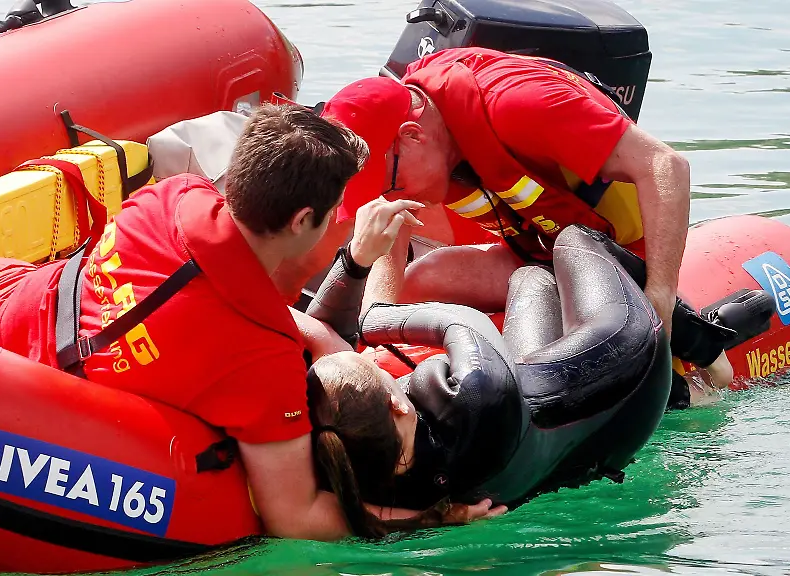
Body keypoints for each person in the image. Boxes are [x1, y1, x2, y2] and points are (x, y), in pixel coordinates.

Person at [0, 104, 503, 540]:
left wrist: (316, 332)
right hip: (4, 415)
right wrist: (435, 519)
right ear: (302, 221)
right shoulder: (258, 362)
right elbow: (296, 519)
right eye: (335, 207)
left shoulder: (172, 196)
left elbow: (202, 294)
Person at [276, 47, 739, 399]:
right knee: (420, 281)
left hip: (616, 252)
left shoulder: (521, 103)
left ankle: (692, 360)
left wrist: (659, 300)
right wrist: (374, 338)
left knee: (576, 275)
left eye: (390, 185)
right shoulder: (411, 132)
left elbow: (666, 165)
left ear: (412, 136)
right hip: (537, 248)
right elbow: (391, 240)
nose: (393, 198)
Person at [301, 224, 673, 511]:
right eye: (374, 370)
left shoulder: (362, 474)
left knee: (532, 280)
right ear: (396, 405)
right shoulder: (475, 395)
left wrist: (351, 265)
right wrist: (373, 318)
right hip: (630, 378)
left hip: (542, 441)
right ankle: (698, 336)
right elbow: (459, 321)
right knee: (573, 239)